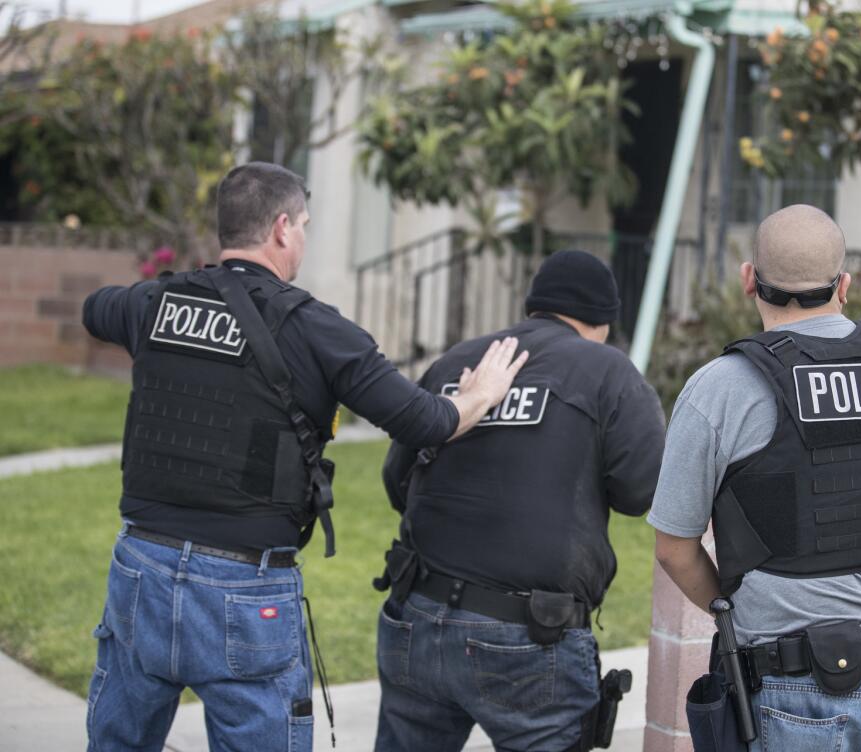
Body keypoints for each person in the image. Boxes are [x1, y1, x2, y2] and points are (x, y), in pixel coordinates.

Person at [81, 162, 527, 752]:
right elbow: (424, 423)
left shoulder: (157, 303)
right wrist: (481, 395)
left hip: (141, 569)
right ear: (283, 228)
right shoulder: (318, 329)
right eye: (307, 226)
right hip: (244, 584)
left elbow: (94, 309)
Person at [650, 205, 861, 752]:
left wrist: (736, 610)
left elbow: (675, 548)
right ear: (845, 285)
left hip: (789, 685)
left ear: (749, 279)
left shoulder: (722, 387)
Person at [374, 250, 666, 752]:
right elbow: (643, 491)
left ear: (534, 306)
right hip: (529, 639)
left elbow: (396, 480)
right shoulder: (607, 370)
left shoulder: (457, 360)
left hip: (418, 615)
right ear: (603, 320)